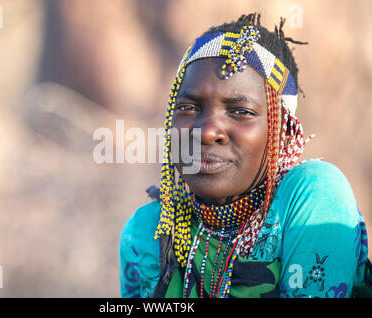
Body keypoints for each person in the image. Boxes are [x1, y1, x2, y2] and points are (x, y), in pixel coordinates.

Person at [119, 13, 371, 298]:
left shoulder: (311, 194)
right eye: (189, 108)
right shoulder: (148, 232)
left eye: (241, 112)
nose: (207, 132)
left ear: (284, 132)